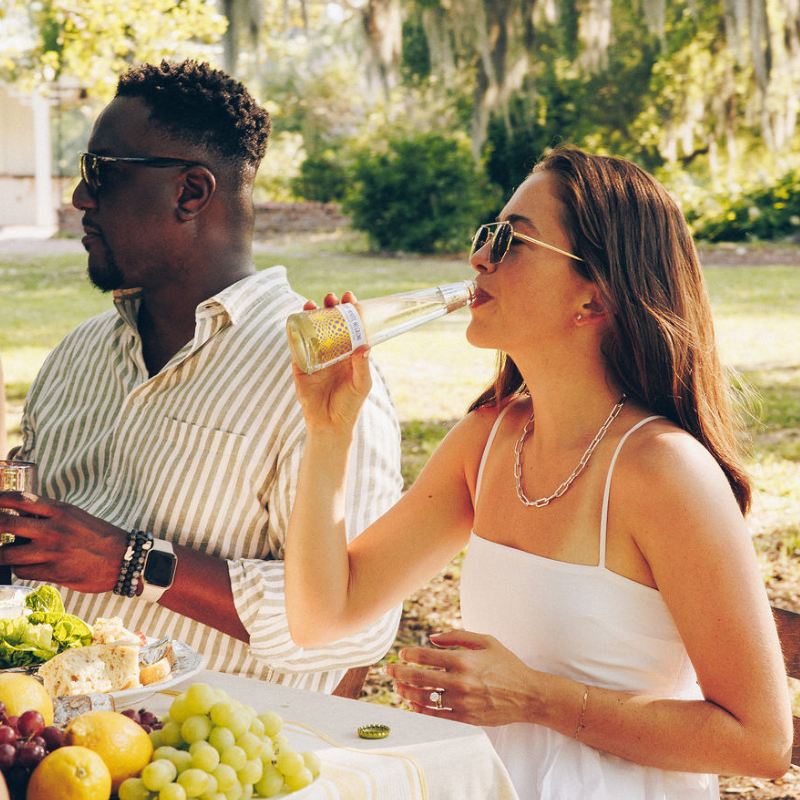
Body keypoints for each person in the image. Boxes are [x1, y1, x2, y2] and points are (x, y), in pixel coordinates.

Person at [284, 146, 792, 797]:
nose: (479, 259)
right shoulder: (488, 439)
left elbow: (760, 741)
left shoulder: (663, 472)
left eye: (510, 242)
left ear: (593, 298)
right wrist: (328, 432)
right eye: (485, 235)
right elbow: (322, 616)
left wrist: (536, 698)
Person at [0, 59, 403, 692]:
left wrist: (132, 564)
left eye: (99, 173)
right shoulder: (75, 356)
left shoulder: (318, 379)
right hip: (56, 743)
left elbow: (355, 627)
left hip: (217, 756)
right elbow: (35, 548)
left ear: (190, 192)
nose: (79, 197)